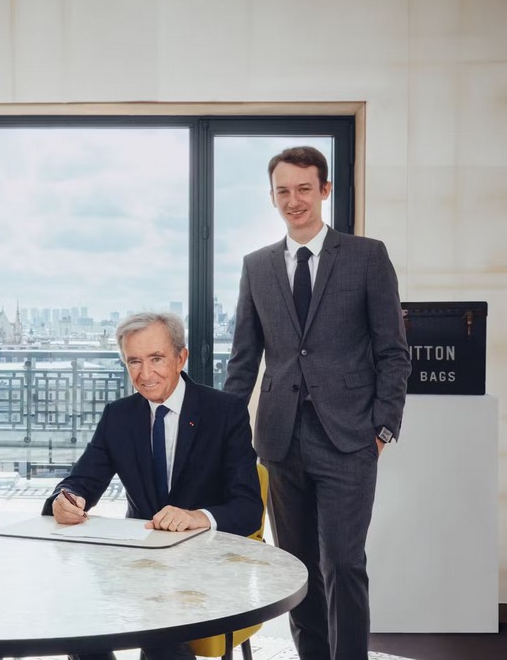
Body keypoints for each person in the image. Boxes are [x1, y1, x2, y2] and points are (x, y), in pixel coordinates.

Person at [224, 146, 411, 660]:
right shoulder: (257, 266)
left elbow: (393, 352)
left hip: (350, 439)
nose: (293, 200)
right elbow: (244, 361)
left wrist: (383, 430)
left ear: (324, 190)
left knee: (344, 564)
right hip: (281, 442)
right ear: (272, 197)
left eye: (304, 188)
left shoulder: (366, 257)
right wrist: (221, 435)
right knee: (299, 568)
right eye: (283, 191)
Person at [44, 312, 262, 660]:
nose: (145, 375)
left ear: (181, 358)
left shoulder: (225, 411)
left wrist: (197, 516)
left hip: (205, 563)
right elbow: (81, 481)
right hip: (139, 562)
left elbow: (249, 509)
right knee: (76, 622)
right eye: (134, 361)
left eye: (156, 359)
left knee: (164, 634)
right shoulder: (119, 415)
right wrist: (65, 499)